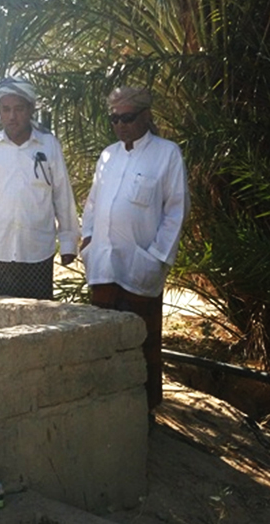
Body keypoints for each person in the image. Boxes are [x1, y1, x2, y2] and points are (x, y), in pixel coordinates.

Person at [80, 86, 189, 412]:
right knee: (104, 344)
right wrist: (88, 240)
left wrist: (156, 258)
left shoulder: (166, 154)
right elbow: (93, 203)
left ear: (145, 115)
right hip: (103, 266)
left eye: (127, 117)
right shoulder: (108, 155)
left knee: (142, 345)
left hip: (140, 267)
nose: (120, 125)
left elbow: (176, 210)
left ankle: (143, 413)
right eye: (114, 119)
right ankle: (108, 411)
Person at [0, 77, 79, 299]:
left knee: (38, 314)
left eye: (18, 109)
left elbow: (62, 196)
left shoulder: (48, 145)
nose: (12, 116)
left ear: (31, 109)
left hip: (37, 251)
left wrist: (68, 243)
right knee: (0, 313)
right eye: (6, 110)